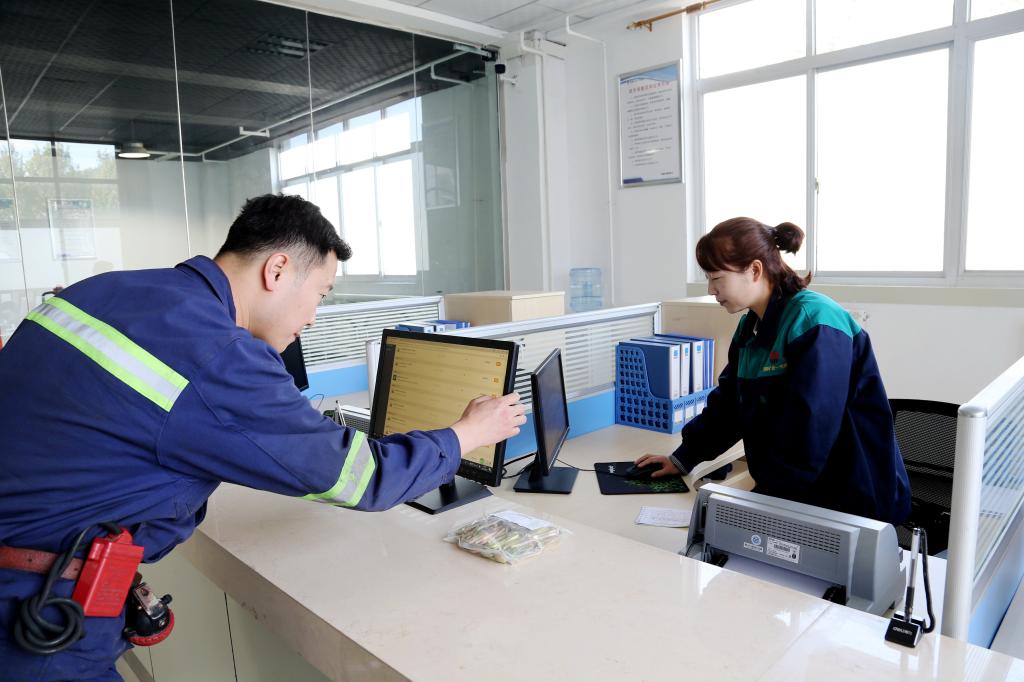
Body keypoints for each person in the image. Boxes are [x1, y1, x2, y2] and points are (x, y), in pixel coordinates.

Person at [0, 193, 526, 681]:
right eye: (320, 293)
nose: (314, 318)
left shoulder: (103, 289)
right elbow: (361, 478)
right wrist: (467, 433)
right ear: (277, 270)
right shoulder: (216, 352)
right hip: (34, 615)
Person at [636, 217, 910, 526]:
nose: (711, 289)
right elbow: (730, 405)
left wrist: (763, 504)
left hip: (851, 496)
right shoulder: (751, 327)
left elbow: (810, 431)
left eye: (717, 277)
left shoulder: (814, 321)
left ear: (754, 270)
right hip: (798, 491)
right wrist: (682, 457)